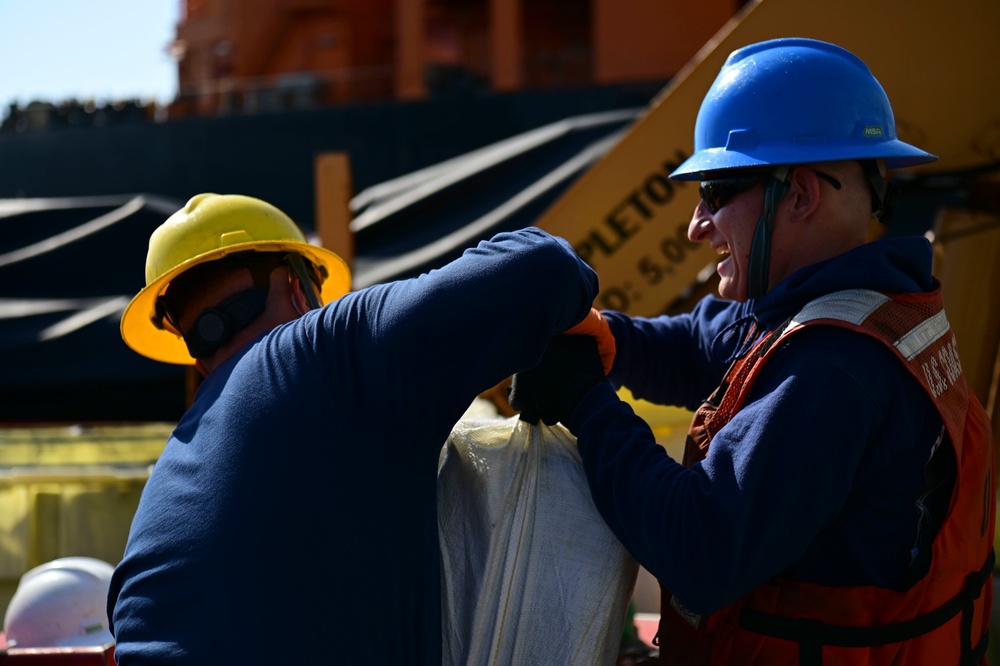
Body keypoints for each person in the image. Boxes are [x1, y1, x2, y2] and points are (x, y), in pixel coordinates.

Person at [509, 38, 994, 664]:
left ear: (799, 196)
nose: (695, 225)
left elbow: (700, 549)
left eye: (714, 191)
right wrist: (609, 338)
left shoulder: (832, 370)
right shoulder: (871, 301)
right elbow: (711, 345)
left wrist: (584, 399)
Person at [110, 192, 609, 664]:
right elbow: (544, 269)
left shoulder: (174, 464)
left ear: (194, 353)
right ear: (297, 289)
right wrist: (592, 329)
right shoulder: (324, 352)